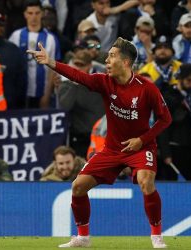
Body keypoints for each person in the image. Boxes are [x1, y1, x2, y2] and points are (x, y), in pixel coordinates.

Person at [27, 37, 171, 248]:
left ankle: (156, 236)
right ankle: (83, 237)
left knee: (146, 182)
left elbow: (165, 119)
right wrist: (51, 62)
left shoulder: (147, 88)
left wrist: (142, 140)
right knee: (78, 187)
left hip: (140, 147)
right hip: (112, 149)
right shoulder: (105, 82)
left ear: (126, 62)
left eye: (112, 56)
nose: (107, 60)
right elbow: (78, 75)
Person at [8, 0, 59, 109]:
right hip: (19, 92)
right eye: (30, 13)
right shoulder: (15, 36)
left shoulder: (51, 39)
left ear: (42, 14)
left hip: (41, 92)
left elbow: (52, 69)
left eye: (37, 13)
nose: (34, 17)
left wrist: (47, 95)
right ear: (25, 14)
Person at [158, 64, 191, 180]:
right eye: (189, 80)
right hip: (175, 149)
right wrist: (165, 152)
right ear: (180, 78)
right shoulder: (167, 96)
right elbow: (162, 126)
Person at [58, 50, 105, 158]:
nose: (78, 68)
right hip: (80, 137)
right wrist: (74, 83)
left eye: (81, 65)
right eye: (76, 64)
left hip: (102, 135)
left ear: (89, 66)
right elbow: (65, 106)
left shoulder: (99, 82)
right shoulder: (66, 85)